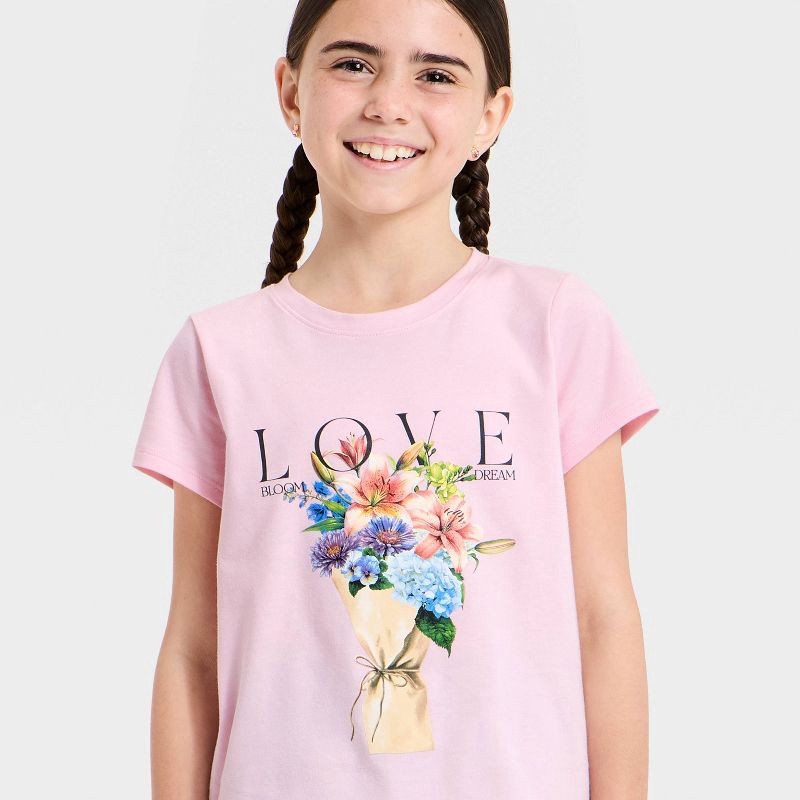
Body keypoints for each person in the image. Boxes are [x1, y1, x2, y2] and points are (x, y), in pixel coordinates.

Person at [131, 1, 660, 798]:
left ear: (491, 117)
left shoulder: (553, 323)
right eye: (353, 64)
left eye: (435, 74)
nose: (388, 102)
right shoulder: (219, 351)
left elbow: (603, 618)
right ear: (291, 92)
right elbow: (193, 651)